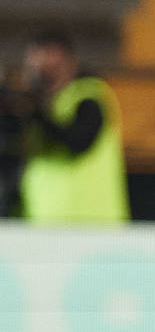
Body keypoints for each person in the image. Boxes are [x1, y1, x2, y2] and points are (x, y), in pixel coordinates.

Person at [16, 28, 129, 224]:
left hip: (92, 226)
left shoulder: (89, 98)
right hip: (43, 224)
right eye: (39, 70)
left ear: (71, 65)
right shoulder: (36, 108)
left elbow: (77, 141)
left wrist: (37, 113)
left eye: (53, 68)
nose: (46, 78)